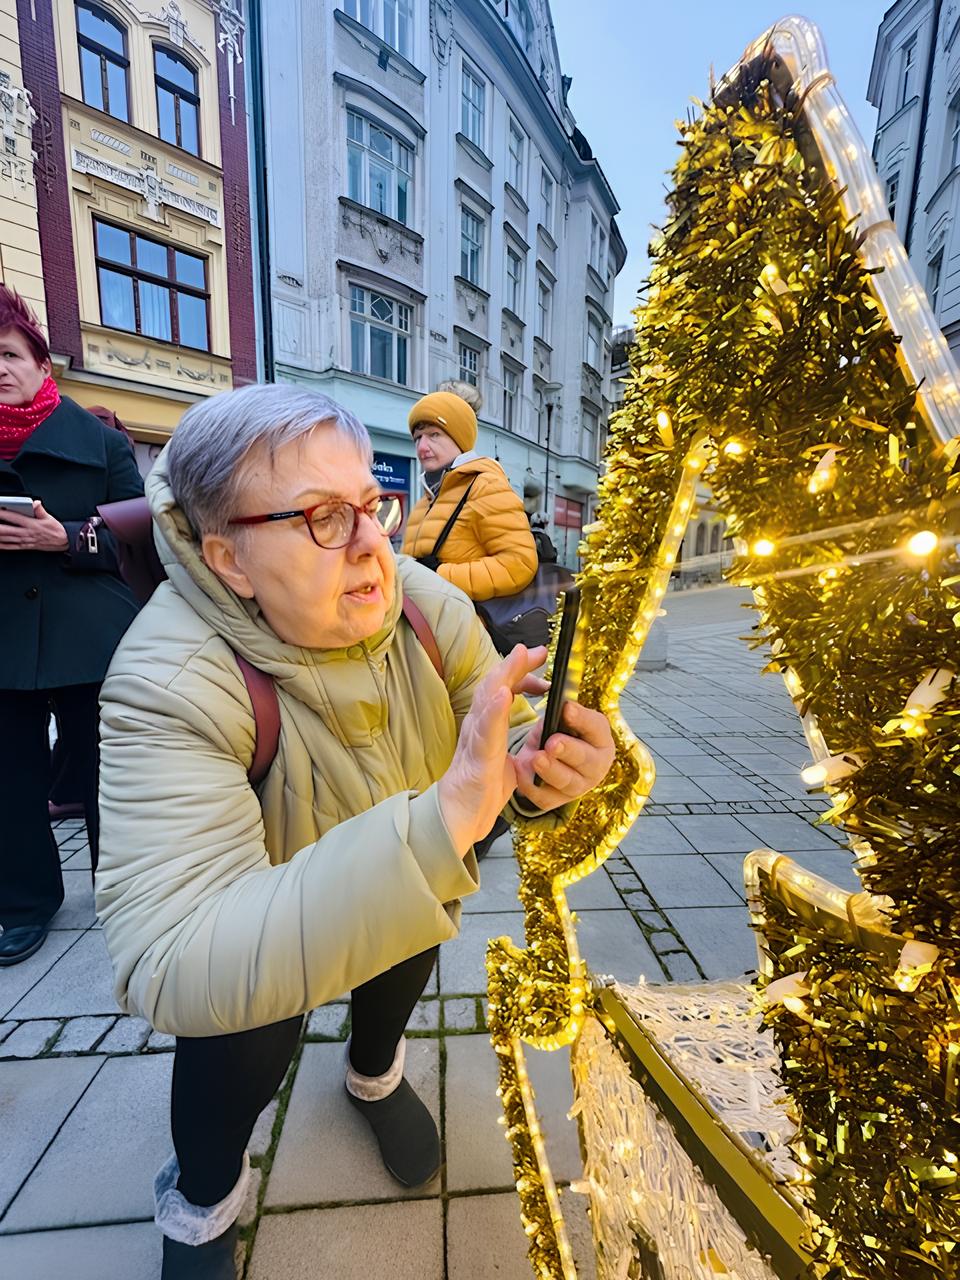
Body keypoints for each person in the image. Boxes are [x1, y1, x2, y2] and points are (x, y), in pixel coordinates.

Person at [94, 384, 614, 1279]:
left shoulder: (420, 601)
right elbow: (174, 952)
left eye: (373, 507)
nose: (378, 543)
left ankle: (374, 1074)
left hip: (410, 866)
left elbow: (490, 732)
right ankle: (205, 1199)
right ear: (230, 558)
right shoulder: (166, 680)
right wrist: (449, 814)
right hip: (261, 906)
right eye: (326, 518)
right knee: (239, 1052)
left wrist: (538, 772)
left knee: (404, 955)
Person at [0, 286, 143, 966]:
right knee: (11, 774)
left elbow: (140, 538)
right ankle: (27, 901)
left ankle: (118, 890)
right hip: (4, 635)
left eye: (8, 354)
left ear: (39, 364)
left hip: (89, 632)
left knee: (101, 771)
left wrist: (68, 540)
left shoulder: (99, 439)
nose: (0, 369)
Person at [401, 389, 538, 601]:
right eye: (417, 438)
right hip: (421, 624)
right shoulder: (426, 498)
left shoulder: (485, 486)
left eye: (434, 435)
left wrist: (439, 576)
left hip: (462, 628)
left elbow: (519, 564)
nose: (422, 447)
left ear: (459, 438)